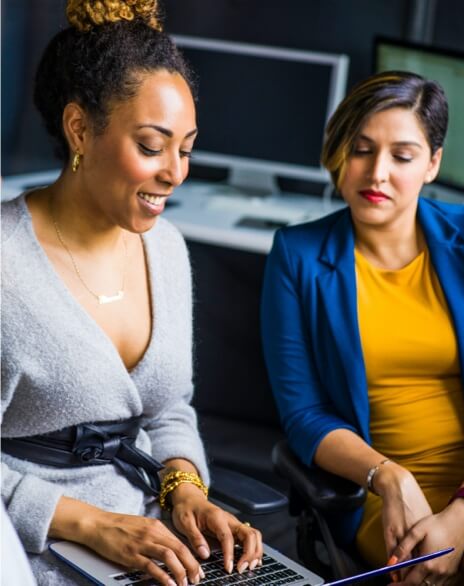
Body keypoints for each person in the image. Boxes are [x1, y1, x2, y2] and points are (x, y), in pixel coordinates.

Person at [1, 1, 262, 584]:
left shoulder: (166, 249)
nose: (175, 172)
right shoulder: (5, 264)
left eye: (186, 148)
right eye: (151, 146)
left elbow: (169, 408)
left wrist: (186, 491)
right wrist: (90, 525)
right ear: (79, 129)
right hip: (31, 547)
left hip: (155, 542)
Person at [261, 71, 464, 586]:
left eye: (402, 156)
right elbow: (303, 414)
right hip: (380, 498)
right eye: (361, 150)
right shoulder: (297, 257)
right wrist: (388, 477)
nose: (376, 173)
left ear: (432, 163)